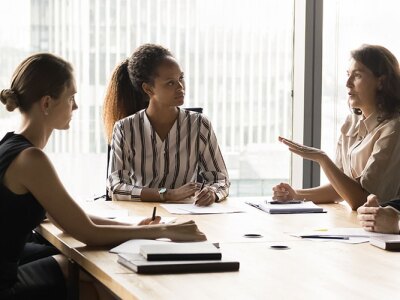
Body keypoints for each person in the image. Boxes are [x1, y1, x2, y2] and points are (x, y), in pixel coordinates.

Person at [0, 53, 206, 300]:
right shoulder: (31, 160)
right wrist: (165, 231)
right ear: (46, 103)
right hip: (5, 285)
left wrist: (133, 227)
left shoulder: (10, 146)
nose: (75, 106)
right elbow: (87, 232)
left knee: (89, 273)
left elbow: (67, 217)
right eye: (71, 97)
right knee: (91, 273)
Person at [272, 44, 400, 210]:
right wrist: (296, 195)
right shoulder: (351, 122)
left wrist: (322, 159)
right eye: (348, 75)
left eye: (357, 75)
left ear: (381, 82)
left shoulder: (394, 129)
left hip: (386, 231)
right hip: (361, 226)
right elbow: (341, 189)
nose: (347, 83)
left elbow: (362, 201)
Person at [103, 44, 230, 206]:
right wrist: (168, 194)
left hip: (188, 214)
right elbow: (116, 187)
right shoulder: (125, 129)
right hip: (141, 215)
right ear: (148, 89)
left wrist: (212, 192)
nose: (181, 87)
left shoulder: (199, 125)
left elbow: (220, 179)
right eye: (170, 83)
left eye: (181, 78)